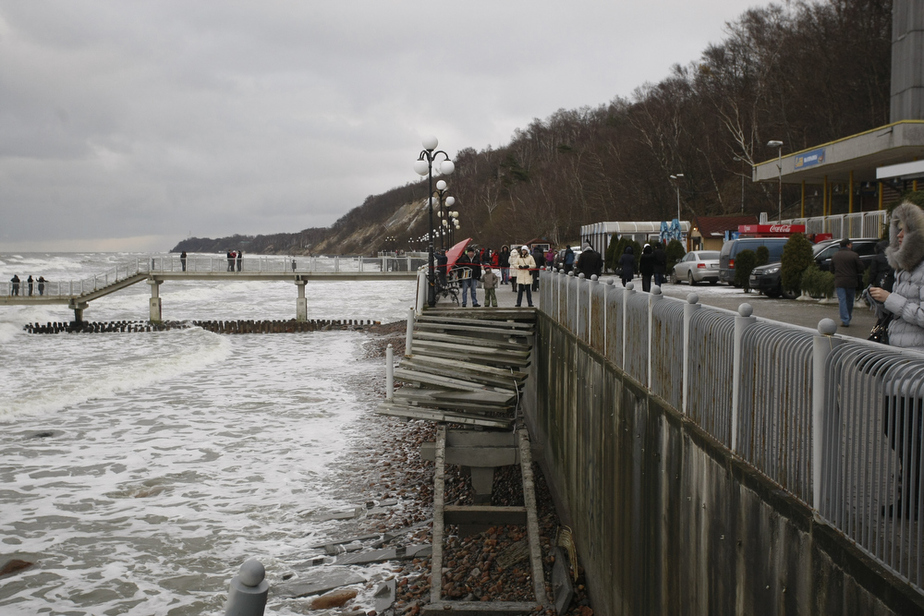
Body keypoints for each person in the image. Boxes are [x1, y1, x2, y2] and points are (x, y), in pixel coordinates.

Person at [869, 202, 924, 520]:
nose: (898, 235)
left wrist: (892, 300)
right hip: (896, 366)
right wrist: (880, 302)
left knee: (912, 439)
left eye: (904, 229)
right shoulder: (901, 269)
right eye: (896, 229)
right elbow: (898, 314)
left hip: (917, 370)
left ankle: (912, 501)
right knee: (895, 430)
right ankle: (910, 497)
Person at [832, 238, 865, 327]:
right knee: (850, 300)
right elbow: (861, 267)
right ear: (848, 245)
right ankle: (848, 317)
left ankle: (845, 320)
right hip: (851, 281)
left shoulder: (835, 255)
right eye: (851, 244)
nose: (852, 246)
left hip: (839, 281)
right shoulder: (854, 255)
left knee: (842, 300)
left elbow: (831, 268)